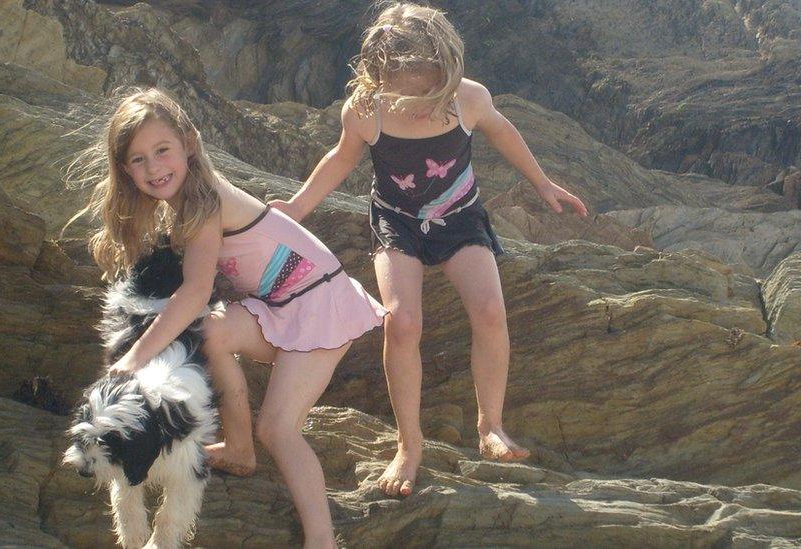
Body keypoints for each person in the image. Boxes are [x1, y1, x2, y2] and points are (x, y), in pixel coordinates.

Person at [270, 3, 589, 498]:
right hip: (398, 222)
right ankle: (409, 444)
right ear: (379, 77)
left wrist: (543, 184)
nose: (418, 107)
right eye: (406, 94)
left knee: (489, 309)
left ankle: (491, 427)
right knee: (402, 322)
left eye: (428, 93)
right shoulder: (366, 110)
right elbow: (340, 159)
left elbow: (503, 131)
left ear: (447, 71)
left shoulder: (467, 100)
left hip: (459, 217)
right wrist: (297, 206)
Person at [68, 88, 387, 548]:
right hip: (281, 307)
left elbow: (195, 290)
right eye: (138, 160)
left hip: (320, 308)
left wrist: (135, 359)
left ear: (189, 144)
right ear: (123, 169)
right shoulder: (180, 201)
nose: (154, 168)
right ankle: (239, 449)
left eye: (162, 151)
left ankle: (322, 540)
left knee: (277, 427)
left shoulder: (204, 201)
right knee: (210, 330)